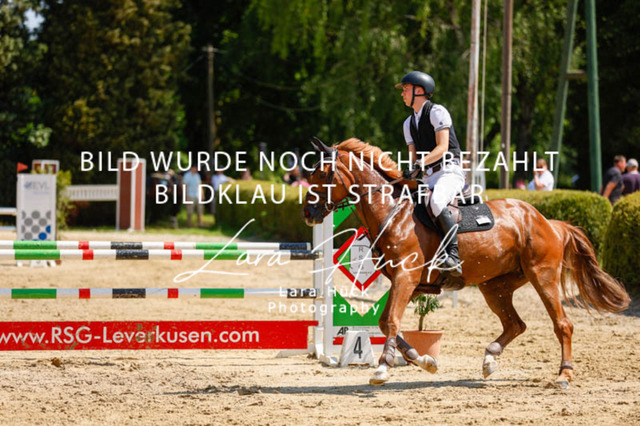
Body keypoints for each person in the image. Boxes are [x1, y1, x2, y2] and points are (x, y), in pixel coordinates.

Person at [397, 71, 464, 276]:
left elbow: (442, 147)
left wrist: (419, 163)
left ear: (419, 91)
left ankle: (454, 256)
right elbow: (413, 157)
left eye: (406, 89)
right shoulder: (408, 123)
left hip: (449, 171)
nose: (402, 94)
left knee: (436, 202)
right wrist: (408, 172)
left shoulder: (437, 112)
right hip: (428, 177)